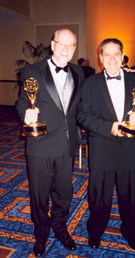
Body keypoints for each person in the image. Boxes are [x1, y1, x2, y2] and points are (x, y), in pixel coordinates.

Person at [77, 38, 135, 251]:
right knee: (99, 197)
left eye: (116, 54)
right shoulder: (90, 83)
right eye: (107, 55)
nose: (111, 59)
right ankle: (95, 232)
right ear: (100, 59)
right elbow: (83, 115)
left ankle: (131, 233)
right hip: (102, 148)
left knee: (130, 197)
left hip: (131, 150)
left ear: (122, 56)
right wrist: (108, 126)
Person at [16, 28, 84, 257]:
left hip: (66, 146)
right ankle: (41, 234)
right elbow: (23, 101)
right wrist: (26, 112)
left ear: (74, 48)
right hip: (41, 145)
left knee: (64, 193)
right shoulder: (32, 71)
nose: (65, 49)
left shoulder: (78, 72)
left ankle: (60, 229)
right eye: (61, 44)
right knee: (39, 195)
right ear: (52, 45)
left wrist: (127, 74)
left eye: (70, 45)